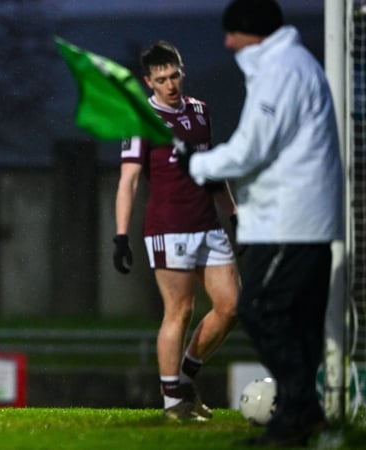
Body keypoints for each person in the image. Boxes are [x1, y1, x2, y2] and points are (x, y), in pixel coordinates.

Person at [179, 0, 343, 445]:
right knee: (301, 320)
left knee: (259, 309)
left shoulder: (279, 71)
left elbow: (254, 146)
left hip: (288, 219)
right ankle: (303, 418)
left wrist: (198, 162)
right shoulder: (296, 63)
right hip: (307, 217)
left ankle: (298, 409)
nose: (227, 43)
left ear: (252, 33)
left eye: (232, 33)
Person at [113, 41, 240, 422]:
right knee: (179, 311)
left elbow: (211, 170)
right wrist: (121, 235)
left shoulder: (200, 111)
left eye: (175, 75)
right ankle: (173, 403)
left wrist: (233, 214)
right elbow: (129, 181)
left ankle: (185, 379)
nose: (171, 84)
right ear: (148, 81)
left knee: (230, 306)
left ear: (182, 71)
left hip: (209, 225)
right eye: (162, 79)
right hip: (169, 229)